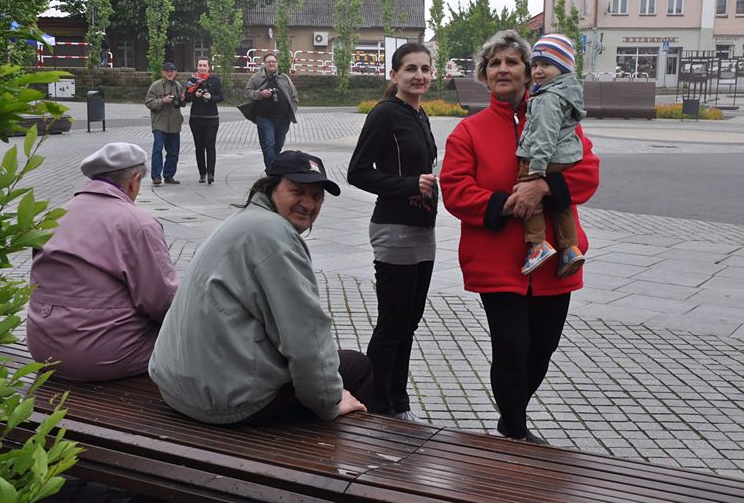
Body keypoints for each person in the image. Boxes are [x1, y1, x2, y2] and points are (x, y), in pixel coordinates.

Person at [439, 30, 599, 444]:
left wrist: (542, 189)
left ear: (530, 73)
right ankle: (515, 430)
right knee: (511, 346)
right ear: (485, 75)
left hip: (556, 263)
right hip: (499, 262)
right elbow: (455, 190)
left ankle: (511, 416)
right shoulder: (468, 131)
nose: (503, 69)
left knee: (541, 349)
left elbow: (587, 172)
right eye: (495, 63)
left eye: (512, 62)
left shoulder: (557, 115)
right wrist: (513, 203)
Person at [149, 150, 371, 425]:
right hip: (222, 403)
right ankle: (359, 456)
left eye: (317, 196)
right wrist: (332, 403)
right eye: (297, 191)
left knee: (333, 368)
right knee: (358, 367)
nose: (309, 203)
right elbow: (306, 339)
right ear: (271, 186)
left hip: (177, 387)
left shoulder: (244, 221)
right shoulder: (275, 238)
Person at [27, 142, 179, 381]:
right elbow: (163, 302)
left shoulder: (53, 217)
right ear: (134, 180)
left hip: (43, 349)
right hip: (103, 356)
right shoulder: (137, 223)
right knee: (193, 337)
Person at [347, 42, 438, 421]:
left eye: (425, 69)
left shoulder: (420, 114)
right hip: (394, 228)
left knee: (408, 323)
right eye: (411, 69)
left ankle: (397, 404)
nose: (420, 76)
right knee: (393, 323)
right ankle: (379, 404)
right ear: (394, 75)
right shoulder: (385, 113)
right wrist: (407, 185)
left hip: (422, 229)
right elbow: (357, 172)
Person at [517, 33, 586, 277]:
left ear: (563, 67)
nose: (538, 71)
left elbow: (543, 134)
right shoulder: (568, 92)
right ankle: (569, 248)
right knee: (560, 203)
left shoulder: (547, 98)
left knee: (528, 196)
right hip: (566, 158)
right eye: (534, 65)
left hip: (544, 157)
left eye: (546, 65)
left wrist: (536, 168)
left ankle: (537, 245)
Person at [244, 52, 299, 170]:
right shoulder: (257, 77)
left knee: (278, 145)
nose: (271, 64)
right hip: (265, 118)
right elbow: (247, 93)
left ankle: (273, 166)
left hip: (283, 119)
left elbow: (294, 96)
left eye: (273, 61)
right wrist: (260, 93)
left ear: (277, 63)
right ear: (264, 63)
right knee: (269, 144)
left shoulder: (284, 78)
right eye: (269, 62)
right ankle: (272, 171)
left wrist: (292, 110)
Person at [184, 57, 224, 184]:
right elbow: (187, 98)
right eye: (200, 65)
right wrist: (195, 95)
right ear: (197, 66)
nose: (202, 68)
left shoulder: (215, 80)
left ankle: (211, 173)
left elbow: (221, 97)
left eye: (204, 65)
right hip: (196, 118)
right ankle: (202, 173)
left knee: (210, 146)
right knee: (199, 146)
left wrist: (211, 97)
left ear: (209, 67)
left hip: (211, 118)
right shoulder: (192, 80)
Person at [145, 61, 185, 186]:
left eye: (172, 71)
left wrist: (183, 99)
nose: (170, 73)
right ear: (163, 72)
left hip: (174, 124)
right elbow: (148, 102)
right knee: (157, 149)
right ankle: (156, 176)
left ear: (175, 72)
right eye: (167, 71)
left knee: (173, 152)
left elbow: (181, 104)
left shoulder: (178, 86)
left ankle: (169, 175)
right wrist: (163, 100)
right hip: (159, 123)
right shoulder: (155, 86)